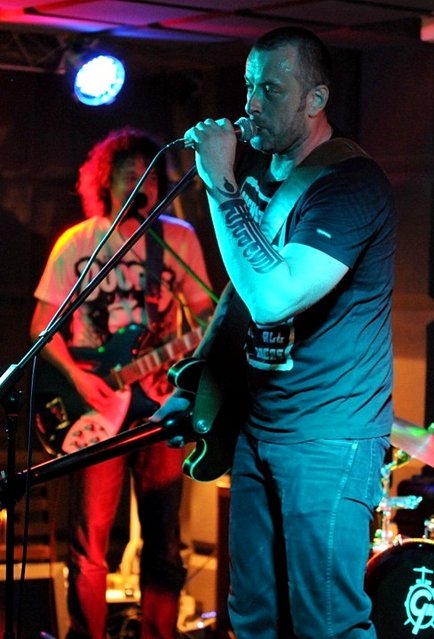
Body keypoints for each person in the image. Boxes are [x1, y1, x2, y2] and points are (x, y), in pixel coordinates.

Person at [153, 26, 396, 639]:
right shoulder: (264, 178)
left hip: (328, 436)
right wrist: (195, 385)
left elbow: (274, 297)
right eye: (249, 86)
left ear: (315, 100)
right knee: (253, 617)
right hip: (259, 429)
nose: (252, 103)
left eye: (272, 89)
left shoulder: (350, 184)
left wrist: (219, 184)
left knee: (328, 624)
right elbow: (239, 294)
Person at [30, 126, 215, 639]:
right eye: (129, 175)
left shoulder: (177, 238)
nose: (141, 184)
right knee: (90, 542)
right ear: (105, 183)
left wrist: (196, 346)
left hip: (159, 403)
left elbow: (206, 317)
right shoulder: (79, 243)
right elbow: (42, 328)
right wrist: (79, 381)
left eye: (149, 177)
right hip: (94, 404)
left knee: (163, 539)